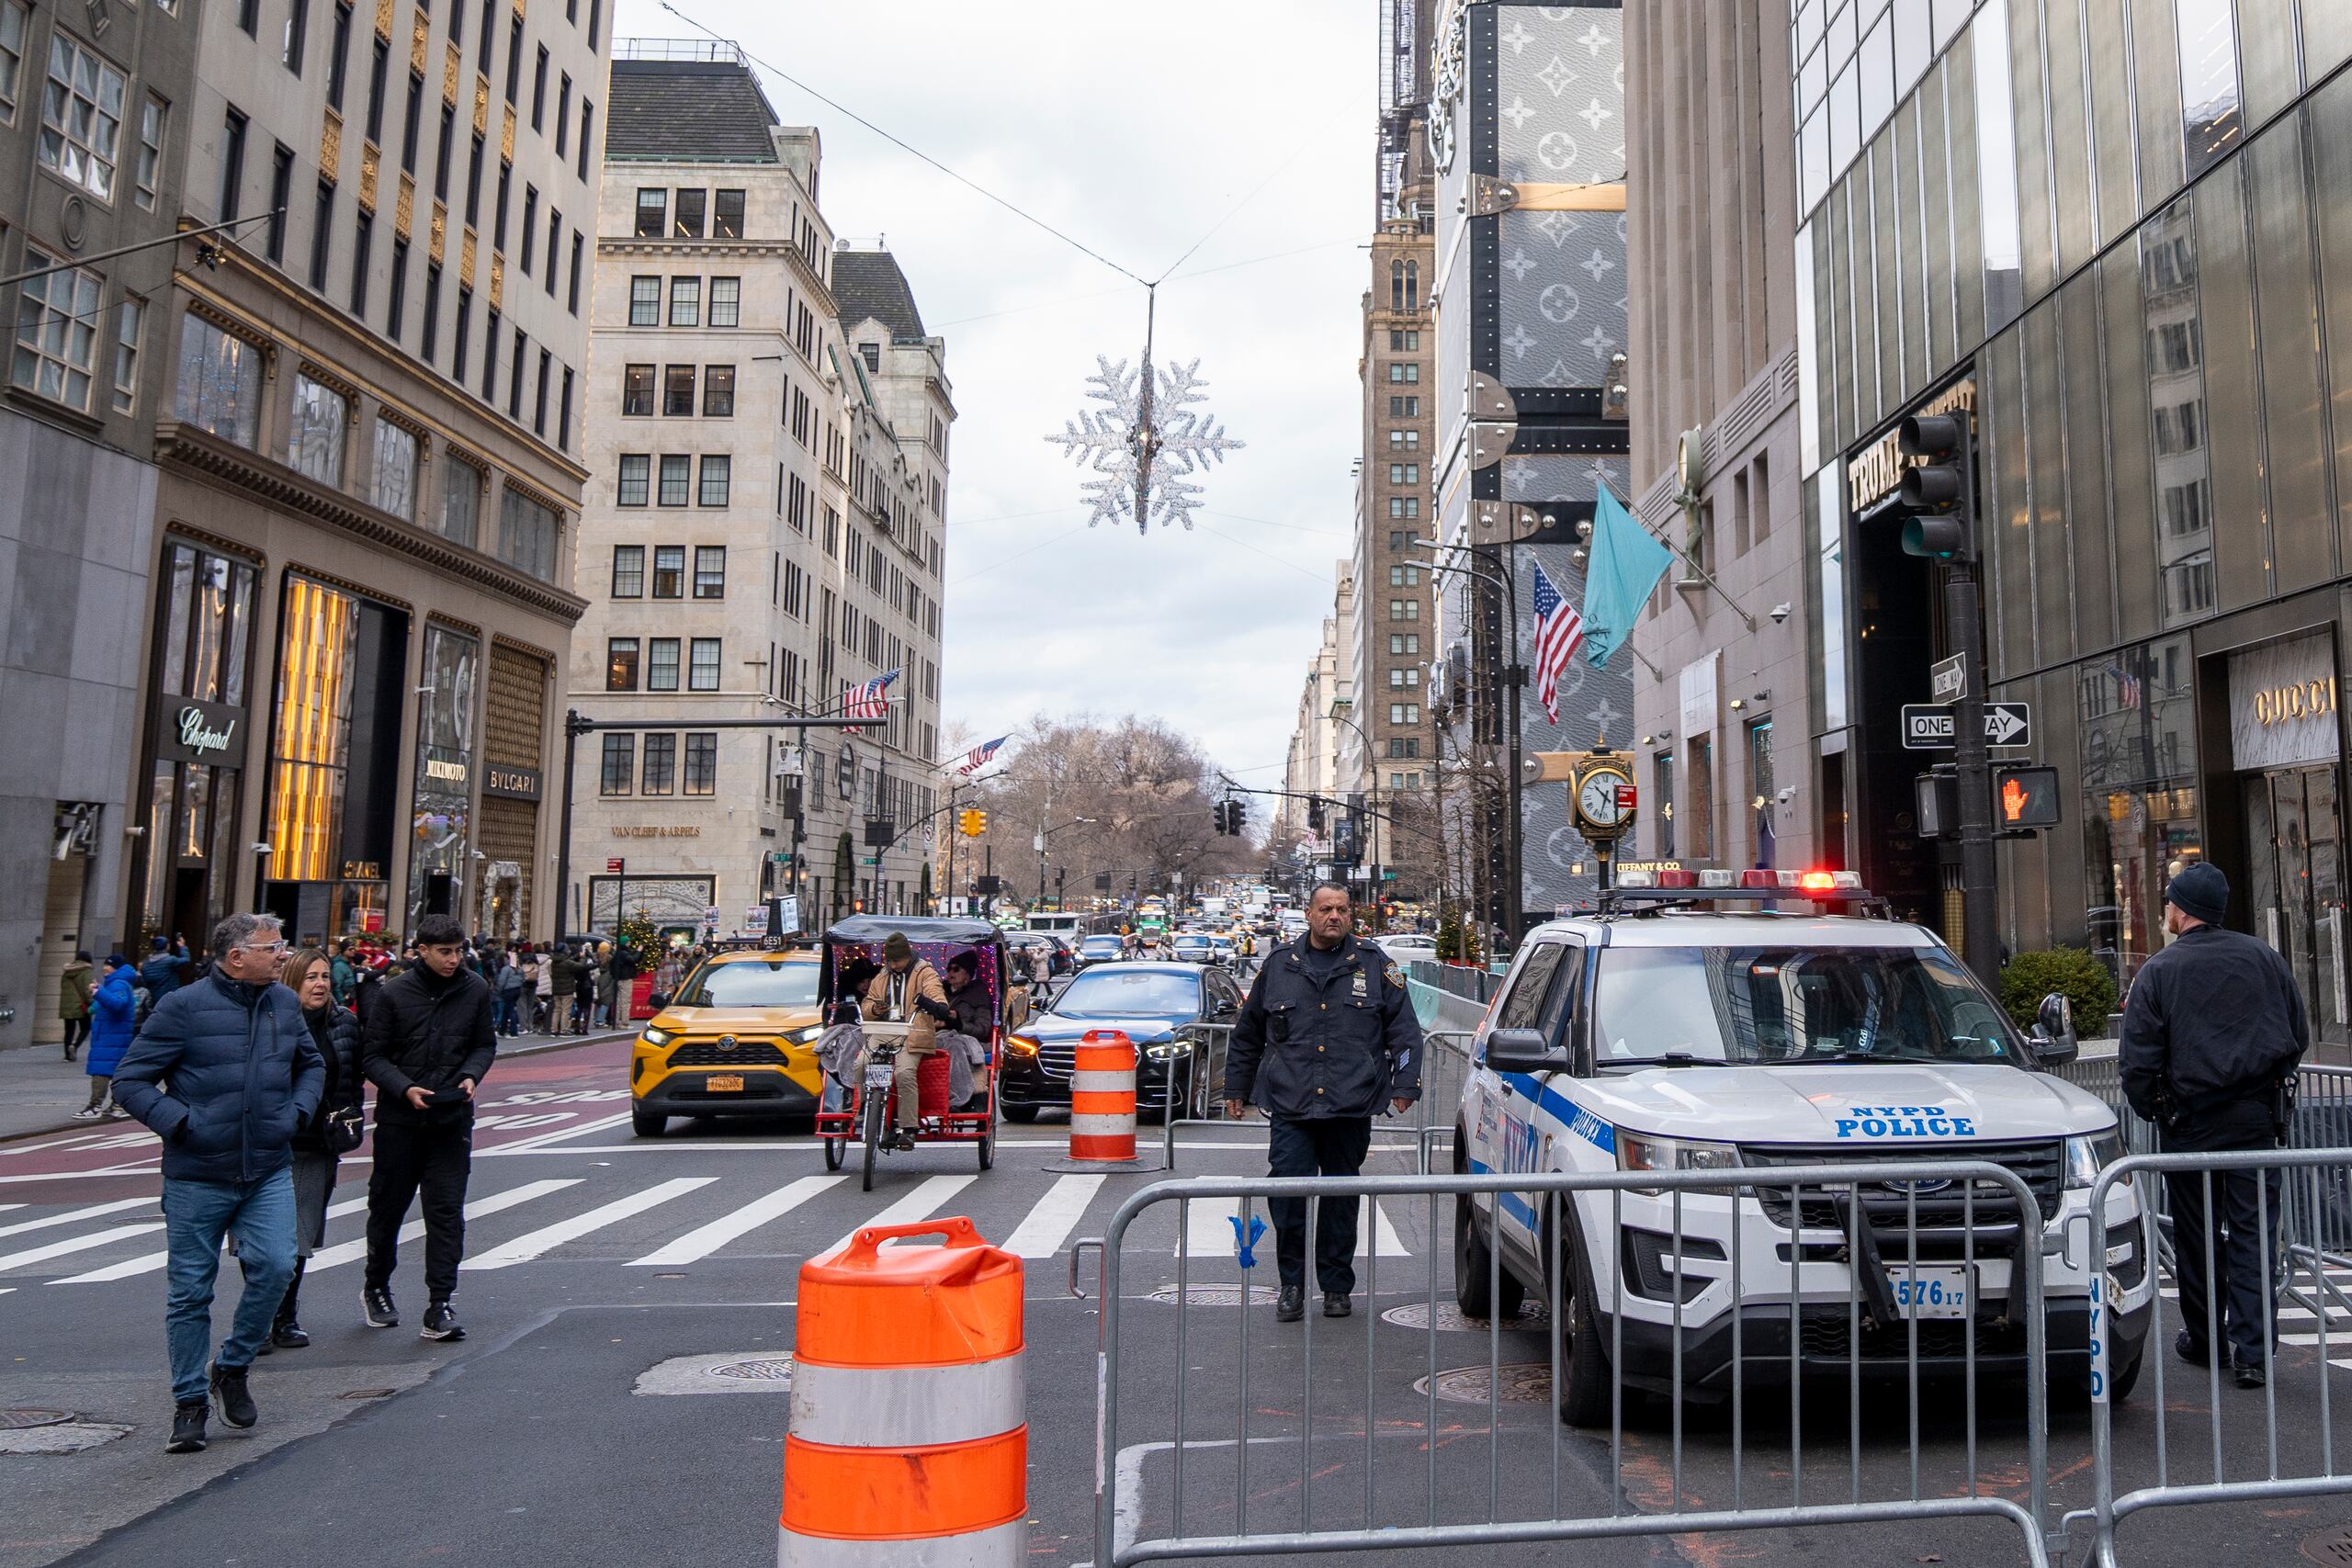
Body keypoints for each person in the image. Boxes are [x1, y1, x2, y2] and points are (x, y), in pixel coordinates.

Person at [110, 913, 322, 1455]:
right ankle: (189, 1404)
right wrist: (182, 1123)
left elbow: (311, 1065)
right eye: (273, 948)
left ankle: (231, 1365)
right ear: (237, 957)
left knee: (278, 1265)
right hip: (196, 1176)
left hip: (267, 1169)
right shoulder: (181, 1008)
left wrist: (295, 1115)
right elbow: (130, 1080)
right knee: (189, 1292)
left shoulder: (282, 1004)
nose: (283, 956)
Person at [2121, 861, 2309, 1389]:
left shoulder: (2159, 971)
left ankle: (2206, 1340)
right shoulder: (2263, 958)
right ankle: (2253, 1349)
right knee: (2253, 1234)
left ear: (2181, 911)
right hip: (2255, 1119)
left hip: (2191, 1122)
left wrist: (2158, 1108)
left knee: (2196, 1234)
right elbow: (2296, 1034)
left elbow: (2137, 1062)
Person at [1224, 882, 1422, 1323]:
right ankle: (1291, 1285)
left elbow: (1405, 1031)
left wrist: (1405, 1085)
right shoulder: (1279, 966)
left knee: (1340, 1199)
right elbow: (1247, 1034)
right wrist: (1236, 1088)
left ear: (1351, 917)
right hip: (1291, 1103)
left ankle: (1336, 1287)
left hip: (1349, 1104)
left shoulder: (1374, 965)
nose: (1335, 916)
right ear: (1308, 914)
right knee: (1288, 1197)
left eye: (1343, 910)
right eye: (1326, 909)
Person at [361, 912, 497, 1342]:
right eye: (444, 952)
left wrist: (473, 1074)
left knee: (446, 1213)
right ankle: (376, 1285)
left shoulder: (475, 989)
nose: (454, 959)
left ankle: (440, 1303)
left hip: (451, 1119)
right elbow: (373, 1056)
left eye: (459, 951)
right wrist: (405, 1089)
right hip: (401, 1121)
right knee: (388, 1209)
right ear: (421, 951)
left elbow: (483, 1044)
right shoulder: (395, 993)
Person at [269, 947, 364, 1350]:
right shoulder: (271, 1020)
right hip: (271, 1143)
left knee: (300, 1235)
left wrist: (349, 1116)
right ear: (293, 980)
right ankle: (261, 1313)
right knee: (263, 1238)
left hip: (317, 1144)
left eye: (325, 976)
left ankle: (284, 1315)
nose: (321, 984)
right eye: (311, 977)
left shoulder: (344, 1023)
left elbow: (353, 1077)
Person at [861, 932, 953, 1149]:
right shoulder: (882, 976)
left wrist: (938, 1005)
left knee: (904, 1073)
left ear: (908, 956)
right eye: (889, 961)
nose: (893, 965)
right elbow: (867, 1005)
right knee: (862, 1063)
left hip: (913, 1031)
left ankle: (908, 1128)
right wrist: (874, 1009)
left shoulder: (924, 972)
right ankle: (863, 1108)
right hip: (884, 1029)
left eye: (897, 961)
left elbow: (935, 991)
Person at [74, 955, 137, 1120]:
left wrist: (98, 992)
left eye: (107, 966)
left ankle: (95, 1106)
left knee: (100, 1070)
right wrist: (97, 994)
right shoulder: (117, 983)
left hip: (111, 1036)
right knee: (115, 1071)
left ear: (115, 967)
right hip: (112, 1035)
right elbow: (108, 1002)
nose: (104, 968)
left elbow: (117, 1004)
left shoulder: (119, 983)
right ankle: (117, 1105)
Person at [139, 933, 187, 1016]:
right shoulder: (170, 960)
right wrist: (182, 946)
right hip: (168, 997)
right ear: (167, 946)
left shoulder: (145, 963)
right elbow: (186, 959)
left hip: (152, 998)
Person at [58, 951, 95, 1061]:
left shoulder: (67, 971)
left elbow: (63, 987)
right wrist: (91, 1002)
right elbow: (87, 990)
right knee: (86, 1028)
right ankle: (75, 1046)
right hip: (81, 1006)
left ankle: (67, 1056)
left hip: (67, 1005)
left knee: (69, 1030)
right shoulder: (86, 971)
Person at [493, 945, 526, 1036]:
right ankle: (502, 1031)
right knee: (507, 1010)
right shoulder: (520, 969)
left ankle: (513, 1032)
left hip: (508, 990)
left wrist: (499, 992)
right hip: (517, 990)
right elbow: (523, 979)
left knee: (510, 1010)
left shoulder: (506, 969)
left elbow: (501, 982)